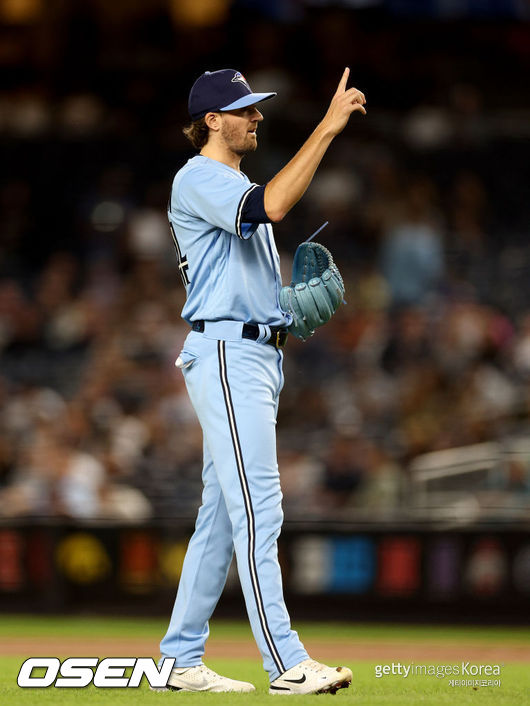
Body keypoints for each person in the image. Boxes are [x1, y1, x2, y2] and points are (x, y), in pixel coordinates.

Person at [158, 68, 366, 695]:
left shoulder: (231, 181)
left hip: (252, 351)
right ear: (212, 121)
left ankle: (180, 662)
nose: (257, 117)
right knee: (259, 508)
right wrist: (327, 128)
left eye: (257, 108)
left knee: (222, 517)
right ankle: (287, 662)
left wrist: (282, 306)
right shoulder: (198, 176)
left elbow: (246, 260)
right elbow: (272, 204)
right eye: (244, 109)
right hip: (227, 353)